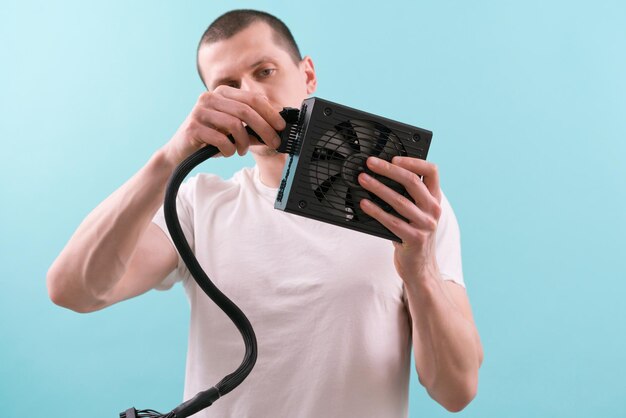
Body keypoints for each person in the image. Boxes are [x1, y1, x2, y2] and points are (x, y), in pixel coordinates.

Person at [47, 9, 483, 418]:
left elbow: (455, 389)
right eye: (228, 86)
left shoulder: (408, 211)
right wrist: (169, 158)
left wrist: (419, 268)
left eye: (265, 72)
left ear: (307, 74)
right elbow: (74, 291)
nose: (251, 95)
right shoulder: (196, 204)